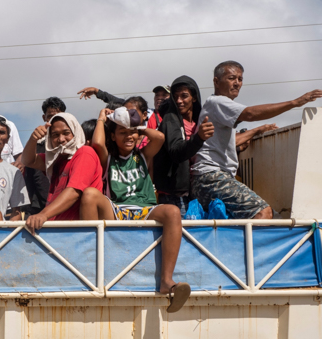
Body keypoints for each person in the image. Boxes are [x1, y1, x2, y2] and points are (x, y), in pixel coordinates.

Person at [78, 106, 190, 313]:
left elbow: (160, 138)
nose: (129, 136)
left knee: (173, 212)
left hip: (145, 209)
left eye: (132, 132)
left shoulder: (143, 155)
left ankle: (167, 281)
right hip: (117, 209)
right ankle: (89, 267)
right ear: (113, 136)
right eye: (123, 132)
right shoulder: (108, 158)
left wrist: (137, 127)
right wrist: (103, 118)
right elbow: (97, 143)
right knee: (89, 194)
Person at [191, 61, 322, 219]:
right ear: (216, 81)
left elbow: (229, 142)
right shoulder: (217, 102)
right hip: (212, 177)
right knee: (263, 212)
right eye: (231, 78)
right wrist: (294, 103)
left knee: (272, 217)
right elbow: (249, 114)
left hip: (203, 180)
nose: (237, 83)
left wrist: (256, 131)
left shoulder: (215, 106)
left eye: (240, 79)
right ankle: (249, 245)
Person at [23, 113, 103, 232]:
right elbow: (28, 161)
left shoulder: (85, 153)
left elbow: (73, 192)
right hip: (58, 232)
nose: (61, 139)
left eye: (66, 133)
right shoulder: (57, 159)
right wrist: (33, 139)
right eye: (55, 135)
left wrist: (43, 214)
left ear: (75, 132)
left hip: (76, 233)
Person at [152, 76, 215, 217]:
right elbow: (176, 152)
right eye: (175, 97)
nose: (179, 101)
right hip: (174, 195)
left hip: (195, 192)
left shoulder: (200, 121)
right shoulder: (170, 119)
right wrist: (199, 138)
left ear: (194, 97)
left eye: (184, 96)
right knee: (181, 235)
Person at [24, 97, 68, 216]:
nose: (54, 121)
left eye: (58, 116)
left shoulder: (72, 145)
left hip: (65, 208)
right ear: (44, 118)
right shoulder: (36, 146)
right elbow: (40, 181)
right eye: (50, 117)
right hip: (39, 210)